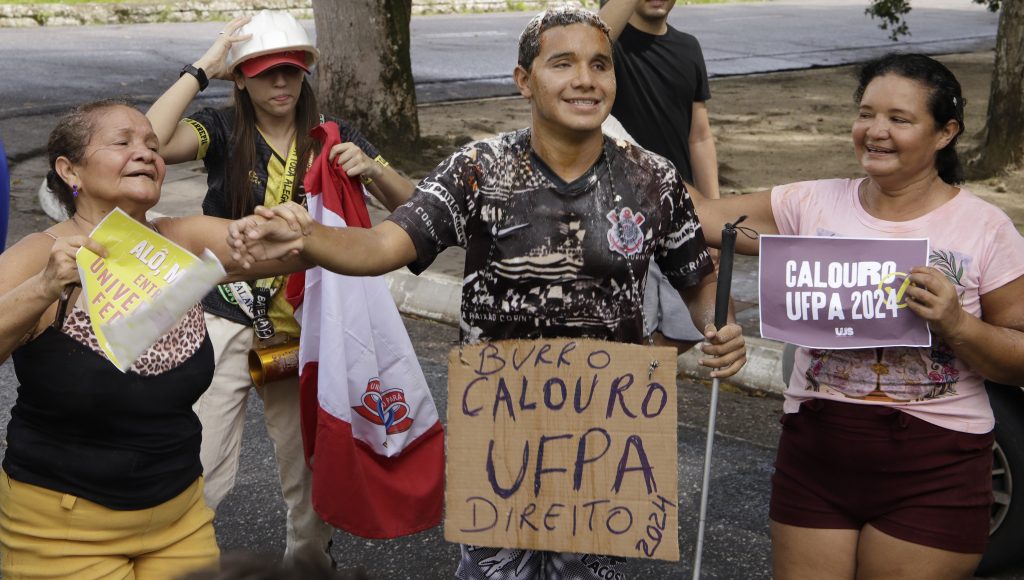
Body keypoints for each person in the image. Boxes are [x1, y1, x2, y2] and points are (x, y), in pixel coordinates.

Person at [228, 7, 747, 579]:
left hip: (606, 431)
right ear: (524, 79)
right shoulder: (476, 169)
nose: (585, 80)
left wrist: (715, 325)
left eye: (600, 65)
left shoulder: (654, 177)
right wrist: (307, 236)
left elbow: (698, 280)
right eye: (563, 63)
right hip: (500, 429)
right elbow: (380, 246)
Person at [689, 53, 1024, 580]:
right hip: (816, 458)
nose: (875, 131)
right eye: (866, 114)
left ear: (946, 132)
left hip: (936, 466)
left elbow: (1018, 356)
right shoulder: (811, 204)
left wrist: (959, 324)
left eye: (899, 118)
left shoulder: (985, 228)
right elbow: (700, 219)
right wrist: (607, 138)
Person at [146, 11, 415, 565]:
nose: (280, 83)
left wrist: (372, 170)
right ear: (241, 78)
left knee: (307, 468)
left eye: (291, 70)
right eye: (265, 72)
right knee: (200, 461)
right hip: (223, 312)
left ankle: (310, 567)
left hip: (305, 326)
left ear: (305, 73)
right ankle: (181, 567)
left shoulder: (334, 136)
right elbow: (149, 143)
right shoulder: (221, 128)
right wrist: (203, 67)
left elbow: (414, 208)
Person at [0, 99, 309, 579]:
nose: (145, 153)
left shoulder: (182, 240)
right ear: (69, 170)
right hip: (61, 530)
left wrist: (291, 227)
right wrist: (43, 288)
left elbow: (300, 250)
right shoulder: (38, 256)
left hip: (180, 517)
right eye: (122, 143)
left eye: (151, 145)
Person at [598, 0, 720, 355]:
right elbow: (591, 37)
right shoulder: (610, 46)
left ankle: (640, 377)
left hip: (680, 211)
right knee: (630, 329)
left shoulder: (688, 47)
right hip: (621, 217)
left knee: (691, 329)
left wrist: (715, 217)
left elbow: (699, 137)